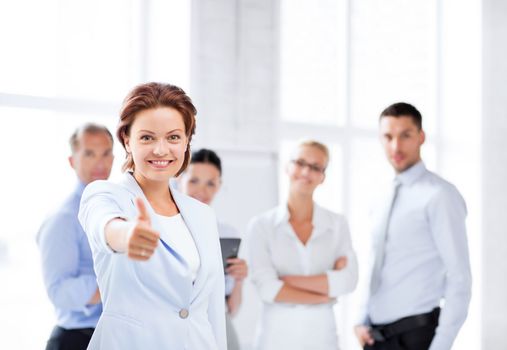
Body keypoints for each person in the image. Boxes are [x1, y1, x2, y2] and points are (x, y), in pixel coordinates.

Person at [78, 82, 226, 349]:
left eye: (173, 137)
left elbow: (211, 310)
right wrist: (126, 235)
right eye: (147, 137)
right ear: (127, 140)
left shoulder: (202, 215)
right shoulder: (106, 195)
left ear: (186, 141)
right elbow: (105, 226)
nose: (161, 150)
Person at [354, 102, 472, 350]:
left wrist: (441, 345)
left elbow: (459, 277)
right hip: (376, 337)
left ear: (421, 137)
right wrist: (360, 318)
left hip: (417, 337)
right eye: (388, 136)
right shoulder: (382, 196)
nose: (395, 146)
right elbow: (377, 263)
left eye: (405, 135)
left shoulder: (440, 195)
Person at [246, 140, 358, 350]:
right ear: (287, 167)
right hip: (276, 338)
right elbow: (267, 288)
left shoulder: (337, 224)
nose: (306, 171)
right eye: (300, 163)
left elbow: (348, 281)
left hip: (321, 338)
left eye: (316, 167)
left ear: (322, 176)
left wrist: (288, 281)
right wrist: (325, 294)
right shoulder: (262, 226)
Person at [37, 123, 114, 350]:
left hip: (110, 338)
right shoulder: (63, 219)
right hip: (75, 340)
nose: (100, 162)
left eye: (106, 153)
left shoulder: (119, 210)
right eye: (89, 154)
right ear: (72, 161)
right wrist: (115, 284)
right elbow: (59, 291)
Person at [178, 148, 248, 350]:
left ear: (219, 186)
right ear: (179, 179)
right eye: (194, 181)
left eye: (211, 184)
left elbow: (232, 309)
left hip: (217, 324)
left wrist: (239, 280)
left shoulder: (226, 232)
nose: (202, 191)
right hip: (179, 325)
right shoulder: (164, 227)